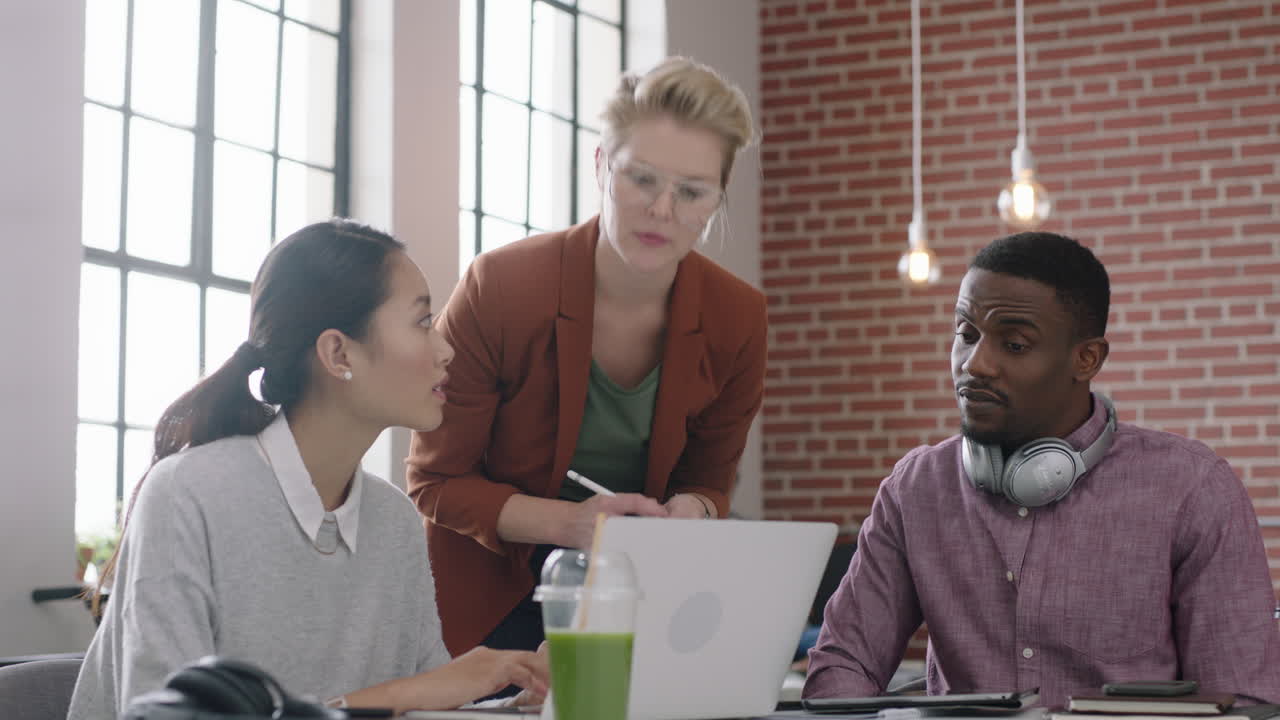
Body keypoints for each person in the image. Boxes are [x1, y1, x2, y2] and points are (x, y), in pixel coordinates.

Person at [68, 220, 549, 719]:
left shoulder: (393, 520)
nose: (445, 349)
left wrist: (521, 706)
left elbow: (426, 707)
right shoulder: (188, 495)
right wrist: (397, 697)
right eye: (423, 322)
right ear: (338, 353)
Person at [804, 232, 1280, 707]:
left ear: (1086, 359)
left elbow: (1242, 701)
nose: (975, 363)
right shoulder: (916, 488)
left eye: (1013, 344)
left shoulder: (1193, 490)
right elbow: (843, 668)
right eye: (966, 334)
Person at [405, 56, 767, 656]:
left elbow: (710, 483)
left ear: (718, 199)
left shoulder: (739, 318)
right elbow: (434, 480)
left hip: (640, 599)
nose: (663, 210)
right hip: (484, 603)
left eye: (693, 192)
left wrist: (693, 512)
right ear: (601, 165)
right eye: (642, 178)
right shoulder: (501, 286)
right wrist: (569, 525)